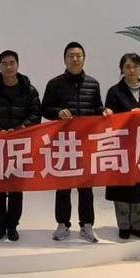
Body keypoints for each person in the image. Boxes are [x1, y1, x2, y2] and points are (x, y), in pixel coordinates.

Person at [42, 41, 103, 243]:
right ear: (64, 59)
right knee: (63, 185)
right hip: (63, 142)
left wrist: (104, 112)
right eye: (71, 56)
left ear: (84, 58)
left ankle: (87, 225)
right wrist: (58, 112)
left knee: (86, 187)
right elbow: (44, 109)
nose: (75, 59)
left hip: (86, 143)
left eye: (78, 55)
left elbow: (97, 108)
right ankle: (62, 224)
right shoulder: (54, 84)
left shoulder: (93, 84)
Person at [0, 49, 42, 242]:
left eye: (12, 63)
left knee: (16, 188)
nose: (8, 67)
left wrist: (20, 129)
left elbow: (36, 115)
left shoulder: (29, 90)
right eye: (4, 63)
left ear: (17, 65)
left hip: (19, 145)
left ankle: (13, 225)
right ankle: (0, 225)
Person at [103, 53, 140, 240]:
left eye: (135, 66)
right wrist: (119, 114)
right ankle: (123, 225)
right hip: (121, 146)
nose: (132, 70)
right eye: (127, 67)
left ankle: (136, 225)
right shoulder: (114, 91)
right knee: (121, 186)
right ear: (122, 69)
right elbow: (108, 116)